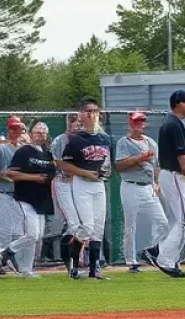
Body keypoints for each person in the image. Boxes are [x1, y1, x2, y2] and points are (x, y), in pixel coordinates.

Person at [60, 96, 113, 281]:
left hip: (98, 184)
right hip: (81, 184)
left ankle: (94, 269)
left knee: (98, 228)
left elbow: (107, 163)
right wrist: (85, 173)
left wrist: (105, 173)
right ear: (81, 115)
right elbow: (64, 166)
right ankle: (73, 264)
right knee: (87, 226)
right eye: (88, 111)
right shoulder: (76, 140)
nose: (92, 114)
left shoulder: (104, 138)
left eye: (95, 111)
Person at [116, 111, 167, 273]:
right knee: (131, 225)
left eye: (142, 121)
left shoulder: (150, 142)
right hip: (130, 185)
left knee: (163, 223)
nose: (139, 124)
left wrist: (157, 183)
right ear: (130, 123)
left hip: (148, 186)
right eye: (136, 121)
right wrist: (140, 158)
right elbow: (119, 166)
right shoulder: (124, 142)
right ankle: (131, 261)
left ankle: (150, 251)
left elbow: (156, 165)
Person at [7, 120, 56, 278]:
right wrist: (33, 177)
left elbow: (52, 173)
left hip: (42, 197)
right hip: (26, 196)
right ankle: (6, 251)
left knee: (38, 236)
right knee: (32, 234)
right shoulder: (24, 151)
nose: (40, 135)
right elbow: (11, 173)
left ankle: (26, 269)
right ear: (30, 134)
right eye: (37, 132)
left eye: (43, 133)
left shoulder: (47, 153)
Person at [154, 90, 185, 278]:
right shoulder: (173, 125)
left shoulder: (175, 123)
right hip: (174, 174)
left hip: (172, 175)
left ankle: (169, 259)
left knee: (177, 220)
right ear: (178, 104)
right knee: (182, 220)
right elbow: (181, 158)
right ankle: (162, 257)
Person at [50, 113, 82, 276]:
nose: (73, 125)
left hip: (78, 184)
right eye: (70, 122)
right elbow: (55, 162)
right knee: (71, 223)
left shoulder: (83, 139)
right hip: (62, 183)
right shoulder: (59, 141)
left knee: (79, 224)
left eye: (76, 122)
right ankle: (69, 264)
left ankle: (75, 264)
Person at [0, 116, 26, 272]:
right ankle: (0, 263)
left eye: (18, 128)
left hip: (19, 194)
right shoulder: (1, 148)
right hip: (2, 192)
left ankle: (12, 262)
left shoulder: (23, 149)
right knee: (5, 230)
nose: (16, 131)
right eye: (13, 128)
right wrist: (10, 178)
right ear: (8, 130)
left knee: (18, 231)